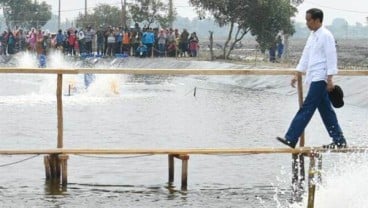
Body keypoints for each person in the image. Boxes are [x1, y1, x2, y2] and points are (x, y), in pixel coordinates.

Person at [276, 8, 347, 149]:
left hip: (321, 77)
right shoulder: (312, 36)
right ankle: (339, 140)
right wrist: (298, 73)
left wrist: (330, 78)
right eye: (307, 20)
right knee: (326, 111)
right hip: (313, 76)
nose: (307, 23)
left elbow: (331, 57)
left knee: (307, 107)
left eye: (309, 20)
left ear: (317, 20)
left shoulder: (326, 35)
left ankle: (291, 138)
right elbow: (306, 56)